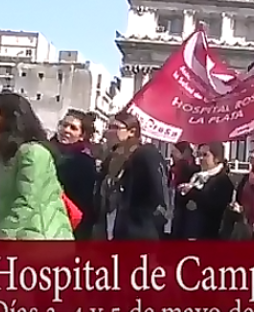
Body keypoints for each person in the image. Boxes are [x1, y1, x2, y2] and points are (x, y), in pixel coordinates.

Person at [0, 91, 73, 240]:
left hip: (40, 238)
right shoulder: (7, 153)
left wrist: (4, 234)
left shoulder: (33, 153)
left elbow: (26, 203)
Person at [97, 112, 168, 241]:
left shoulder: (145, 153)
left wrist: (147, 221)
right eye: (108, 127)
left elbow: (159, 191)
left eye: (115, 127)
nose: (109, 131)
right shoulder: (112, 158)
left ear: (131, 132)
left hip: (139, 232)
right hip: (114, 229)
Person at [50, 110, 99, 240]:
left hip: (70, 224)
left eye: (73, 128)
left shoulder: (85, 162)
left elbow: (85, 203)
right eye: (64, 125)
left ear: (81, 135)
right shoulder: (44, 151)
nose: (66, 130)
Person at [174, 142, 235, 240]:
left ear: (217, 158)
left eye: (205, 155)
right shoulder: (196, 176)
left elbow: (214, 206)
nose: (201, 158)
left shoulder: (223, 181)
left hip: (208, 237)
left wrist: (193, 192)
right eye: (199, 155)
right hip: (188, 233)